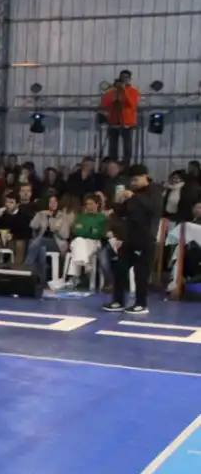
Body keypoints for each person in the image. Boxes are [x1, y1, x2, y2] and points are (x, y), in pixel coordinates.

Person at [103, 163, 158, 314]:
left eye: (135, 180)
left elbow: (152, 209)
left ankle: (141, 303)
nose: (133, 183)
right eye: (131, 180)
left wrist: (134, 197)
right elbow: (122, 212)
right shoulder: (132, 192)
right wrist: (115, 204)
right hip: (130, 237)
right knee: (120, 268)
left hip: (145, 238)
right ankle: (118, 301)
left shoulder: (154, 190)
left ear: (145, 177)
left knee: (141, 273)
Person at [101, 70, 139, 165]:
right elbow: (105, 103)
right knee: (113, 146)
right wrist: (114, 91)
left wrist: (123, 91)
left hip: (127, 123)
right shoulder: (112, 92)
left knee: (127, 146)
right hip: (113, 122)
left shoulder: (133, 91)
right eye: (122, 77)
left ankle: (126, 165)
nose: (124, 79)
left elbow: (131, 103)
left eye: (126, 77)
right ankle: (113, 164)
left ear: (130, 79)